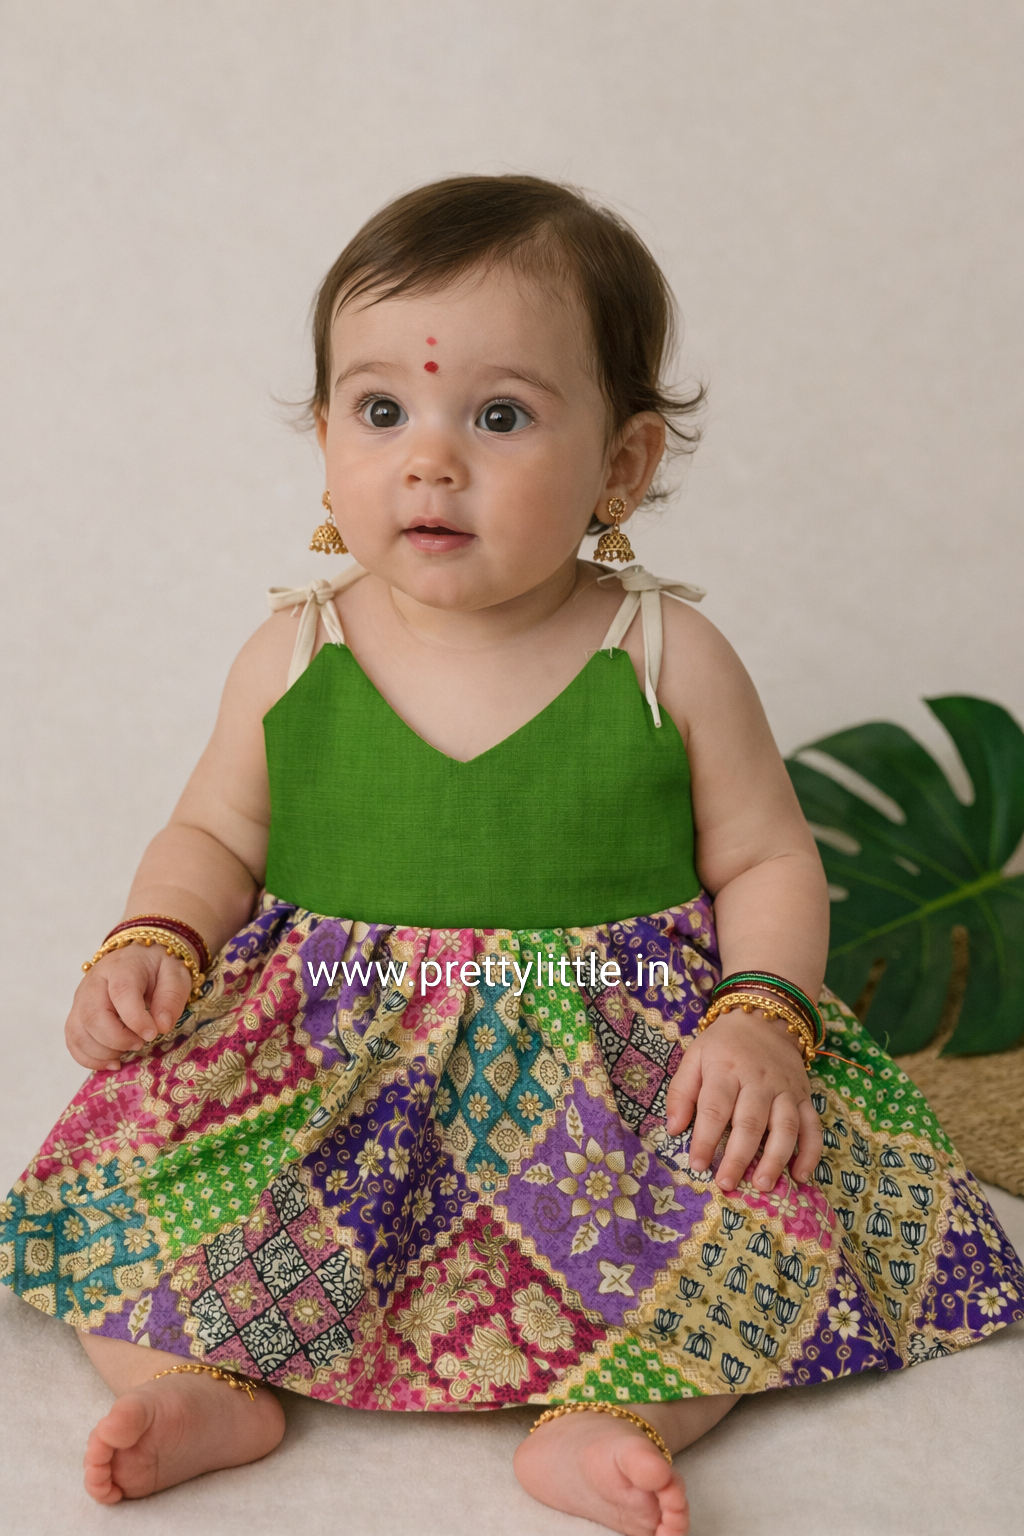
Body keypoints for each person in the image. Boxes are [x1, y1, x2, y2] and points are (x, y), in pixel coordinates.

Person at [2, 175, 1021, 1536]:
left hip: (614, 1083)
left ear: (622, 466)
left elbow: (769, 858)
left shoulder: (665, 656)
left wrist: (759, 1018)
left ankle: (620, 1412)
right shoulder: (294, 651)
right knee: (140, 1199)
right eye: (381, 411)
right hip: (327, 1062)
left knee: (744, 1227)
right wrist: (158, 939)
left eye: (499, 416)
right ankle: (196, 1381)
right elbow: (214, 833)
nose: (431, 460)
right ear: (323, 439)